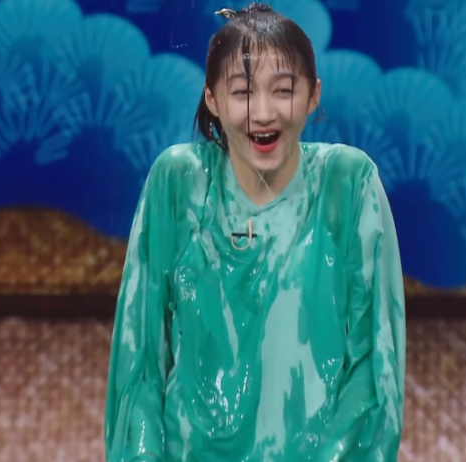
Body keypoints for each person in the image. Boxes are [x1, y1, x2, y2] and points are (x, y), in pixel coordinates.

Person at [104, 3, 406, 461]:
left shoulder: (348, 184)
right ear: (212, 99)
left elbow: (374, 366)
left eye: (283, 90)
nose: (263, 113)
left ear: (313, 95)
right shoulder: (178, 182)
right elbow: (140, 360)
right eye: (243, 92)